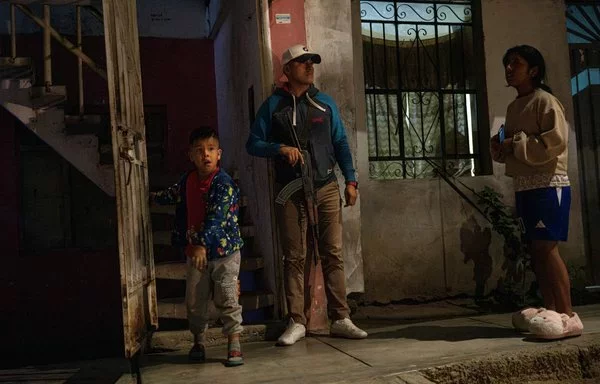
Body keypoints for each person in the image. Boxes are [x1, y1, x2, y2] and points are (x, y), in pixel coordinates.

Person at [246, 44, 367, 346]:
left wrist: (351, 181)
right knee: (294, 257)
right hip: (289, 191)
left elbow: (340, 143)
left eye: (312, 61)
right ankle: (296, 321)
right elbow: (253, 143)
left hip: (326, 187)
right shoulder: (272, 105)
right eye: (302, 62)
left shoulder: (325, 103)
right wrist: (279, 148)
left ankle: (341, 318)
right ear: (287, 70)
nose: (309, 66)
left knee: (333, 254)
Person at [490, 45, 583, 339]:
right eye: (506, 63)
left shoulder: (546, 101)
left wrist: (514, 144)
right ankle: (550, 309)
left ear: (533, 70)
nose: (508, 68)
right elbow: (512, 148)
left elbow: (555, 143)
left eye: (515, 63)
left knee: (546, 248)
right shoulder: (513, 106)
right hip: (525, 185)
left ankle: (568, 315)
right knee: (536, 250)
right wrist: (500, 147)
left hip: (548, 184)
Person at [151, 127, 245, 366]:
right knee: (194, 300)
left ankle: (234, 342)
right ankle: (198, 340)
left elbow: (216, 218)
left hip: (224, 253)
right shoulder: (187, 181)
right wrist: (152, 197)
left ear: (219, 154)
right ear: (190, 155)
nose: (206, 155)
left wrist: (202, 244)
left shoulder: (223, 184)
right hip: (196, 253)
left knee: (227, 296)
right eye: (200, 151)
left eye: (211, 150)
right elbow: (171, 195)